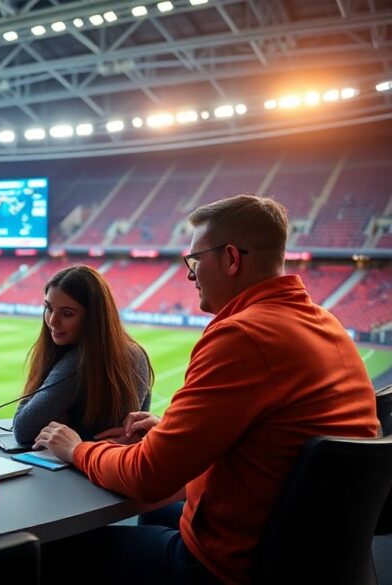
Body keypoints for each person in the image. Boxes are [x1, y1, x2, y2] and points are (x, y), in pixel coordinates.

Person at [35, 195, 379, 584]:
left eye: (195, 261)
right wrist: (173, 431)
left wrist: (76, 448)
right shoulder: (326, 324)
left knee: (55, 552)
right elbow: (269, 437)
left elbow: (148, 476)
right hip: (309, 556)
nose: (190, 275)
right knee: (156, 516)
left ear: (231, 259)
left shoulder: (242, 335)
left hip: (230, 568)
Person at [12, 265, 153, 445]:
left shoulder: (77, 365)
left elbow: (23, 428)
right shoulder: (137, 352)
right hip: (114, 465)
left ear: (93, 317)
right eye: (48, 308)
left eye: (67, 313)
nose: (53, 321)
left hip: (77, 469)